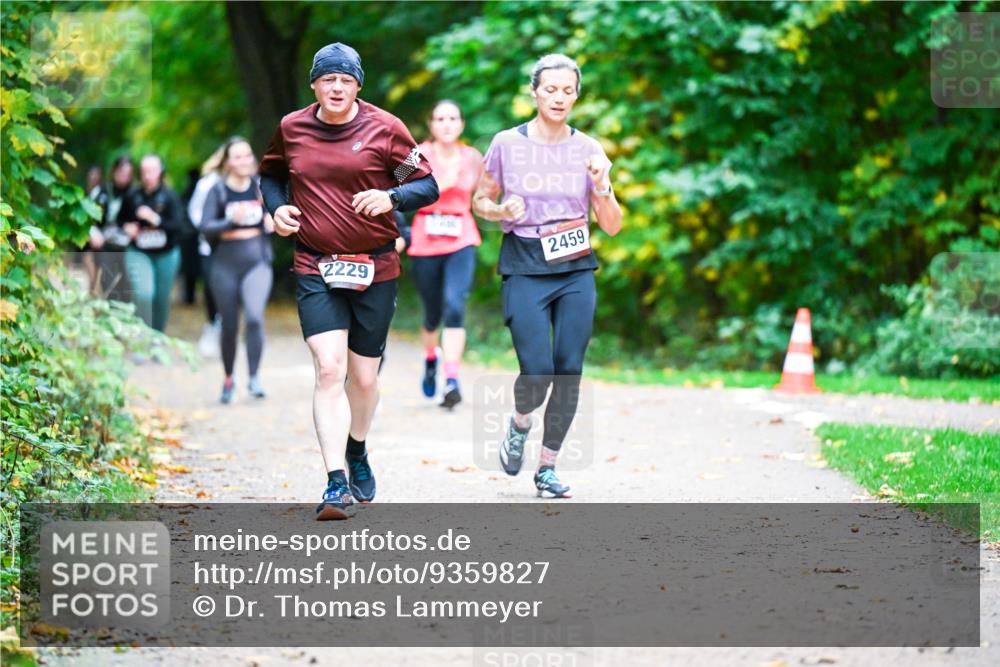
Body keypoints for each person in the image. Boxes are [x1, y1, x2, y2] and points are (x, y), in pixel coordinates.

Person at [258, 42, 439, 520]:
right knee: (329, 369)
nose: (336, 87)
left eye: (346, 80)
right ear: (314, 84)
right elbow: (272, 175)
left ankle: (357, 447)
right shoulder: (292, 128)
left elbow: (426, 183)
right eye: (327, 79)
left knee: (363, 378)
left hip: (375, 266)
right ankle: (335, 481)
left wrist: (392, 196)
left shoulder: (386, 128)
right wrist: (276, 208)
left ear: (358, 85)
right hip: (315, 263)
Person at [472, 54, 622, 499]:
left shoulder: (590, 149)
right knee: (537, 371)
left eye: (568, 90)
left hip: (575, 265)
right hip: (524, 262)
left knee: (569, 371)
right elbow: (480, 199)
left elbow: (612, 225)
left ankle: (548, 467)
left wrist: (603, 185)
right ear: (534, 92)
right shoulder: (506, 143)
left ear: (577, 95)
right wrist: (500, 210)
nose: (559, 97)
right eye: (550, 89)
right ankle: (520, 423)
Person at [408, 100, 483, 409]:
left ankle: (451, 379)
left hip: (461, 238)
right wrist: (440, 184)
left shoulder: (474, 158)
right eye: (440, 118)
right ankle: (430, 359)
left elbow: (483, 196)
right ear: (431, 124)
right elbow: (395, 189)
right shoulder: (414, 155)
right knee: (432, 314)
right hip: (425, 238)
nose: (447, 124)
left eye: (453, 118)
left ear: (461, 124)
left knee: (455, 305)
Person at [200, 137, 274, 404]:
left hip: (257, 263)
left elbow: (279, 213)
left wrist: (272, 220)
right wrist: (230, 220)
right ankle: (229, 378)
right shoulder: (218, 191)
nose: (244, 161)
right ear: (228, 162)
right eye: (238, 157)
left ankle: (254, 378)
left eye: (247, 155)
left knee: (254, 317)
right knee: (229, 325)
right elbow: (205, 227)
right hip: (225, 265)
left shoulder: (261, 187)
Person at [123, 154, 183, 332]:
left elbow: (179, 226)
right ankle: (142, 338)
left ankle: (157, 338)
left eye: (152, 171)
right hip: (139, 252)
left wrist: (154, 218)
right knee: (144, 294)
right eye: (144, 171)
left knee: (161, 298)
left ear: (160, 172)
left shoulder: (170, 196)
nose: (148, 175)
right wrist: (127, 228)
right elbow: (120, 221)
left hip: (167, 254)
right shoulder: (132, 195)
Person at [187, 146, 226, 357]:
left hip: (235, 248)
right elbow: (194, 210)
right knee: (211, 287)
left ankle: (225, 327)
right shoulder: (207, 183)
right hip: (209, 246)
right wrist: (206, 227)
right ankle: (212, 324)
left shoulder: (246, 182)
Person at [87, 155, 136, 301]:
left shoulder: (134, 194)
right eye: (121, 172)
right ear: (114, 171)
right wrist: (93, 233)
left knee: (127, 286)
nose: (123, 177)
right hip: (104, 246)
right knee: (107, 284)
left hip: (127, 248)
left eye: (127, 174)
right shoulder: (100, 192)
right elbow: (87, 217)